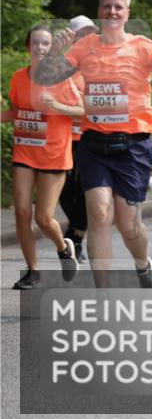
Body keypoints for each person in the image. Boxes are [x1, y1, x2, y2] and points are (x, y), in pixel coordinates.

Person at [34, 0, 152, 288]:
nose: (113, 12)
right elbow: (44, 77)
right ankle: (103, 296)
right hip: (94, 143)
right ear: (99, 11)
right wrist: (55, 50)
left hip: (133, 146)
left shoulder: (144, 46)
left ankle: (143, 265)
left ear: (127, 13)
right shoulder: (84, 47)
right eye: (107, 6)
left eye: (119, 7)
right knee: (99, 214)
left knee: (129, 225)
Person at [3, 25, 82, 289]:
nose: (39, 48)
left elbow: (82, 111)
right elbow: (16, 111)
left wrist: (57, 106)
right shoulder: (18, 77)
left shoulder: (62, 77)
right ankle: (32, 271)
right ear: (28, 47)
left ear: (51, 50)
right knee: (23, 211)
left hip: (54, 154)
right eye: (35, 43)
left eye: (44, 44)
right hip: (25, 149)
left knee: (44, 218)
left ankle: (63, 249)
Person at [58, 16, 99, 261]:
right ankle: (75, 231)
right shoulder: (63, 64)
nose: (86, 37)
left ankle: (76, 239)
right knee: (63, 189)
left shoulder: (97, 65)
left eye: (90, 33)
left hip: (88, 136)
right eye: (81, 33)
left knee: (85, 191)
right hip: (61, 136)